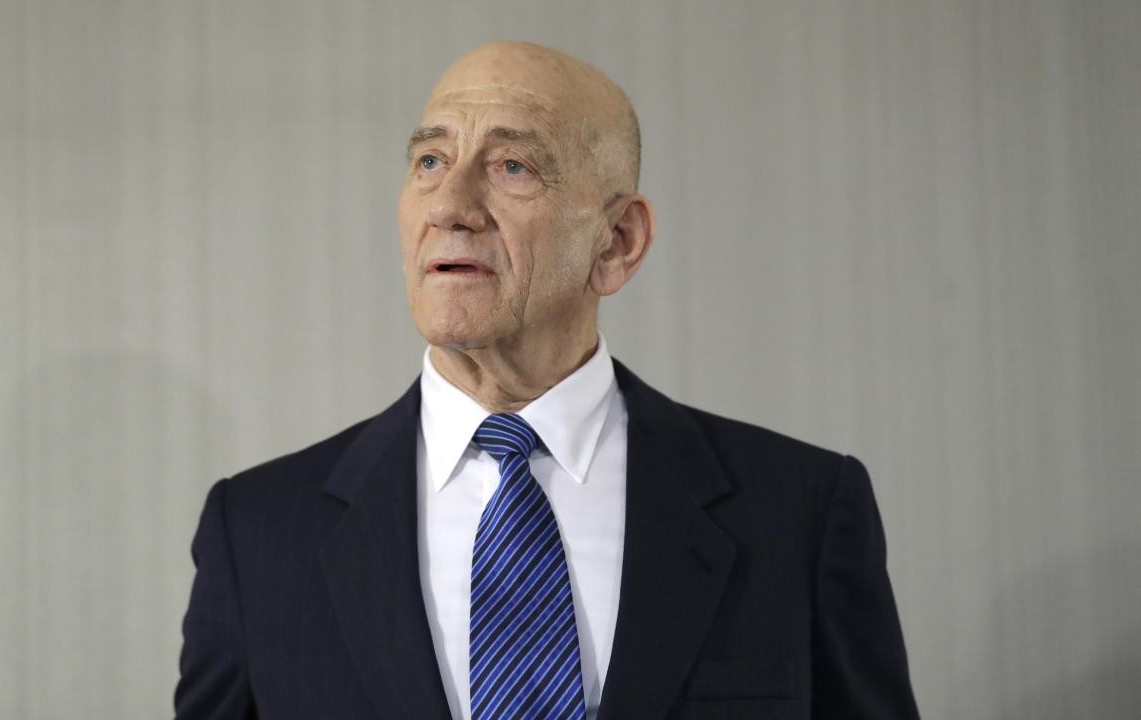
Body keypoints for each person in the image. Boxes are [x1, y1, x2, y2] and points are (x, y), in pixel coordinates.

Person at [175, 41, 919, 719]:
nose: (450, 207)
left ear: (617, 243)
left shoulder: (801, 512)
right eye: (430, 161)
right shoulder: (258, 534)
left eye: (512, 167)